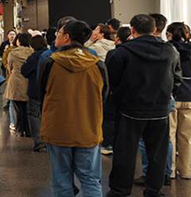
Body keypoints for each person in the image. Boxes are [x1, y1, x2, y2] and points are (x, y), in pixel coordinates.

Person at [105, 14, 182, 197]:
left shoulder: (122, 52)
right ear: (154, 29)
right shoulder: (170, 51)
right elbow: (177, 79)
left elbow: (111, 81)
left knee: (125, 153)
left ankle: (120, 190)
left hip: (129, 110)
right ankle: (154, 190)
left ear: (132, 30)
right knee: (157, 154)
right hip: (160, 109)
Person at [39, 20, 108, 197]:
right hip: (89, 128)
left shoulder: (50, 62)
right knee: (90, 180)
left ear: (67, 37)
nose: (56, 36)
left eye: (59, 33)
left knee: (61, 180)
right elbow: (103, 95)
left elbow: (41, 93)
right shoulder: (97, 64)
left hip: (57, 128)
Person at [166, 22, 191, 180]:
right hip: (190, 96)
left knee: (169, 136)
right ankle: (187, 171)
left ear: (169, 34)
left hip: (170, 96)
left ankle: (170, 170)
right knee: (188, 136)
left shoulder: (166, 49)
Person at [102, 26, 132, 155]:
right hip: (131, 93)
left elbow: (108, 73)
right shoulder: (135, 53)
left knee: (110, 119)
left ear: (118, 39)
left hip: (114, 92)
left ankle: (109, 144)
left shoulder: (113, 53)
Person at [21, 34, 48, 152]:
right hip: (49, 90)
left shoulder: (33, 57)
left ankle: (39, 142)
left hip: (35, 90)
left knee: (34, 115)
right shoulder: (51, 55)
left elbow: (24, 71)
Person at [5, 33, 34, 137]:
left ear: (19, 41)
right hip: (28, 81)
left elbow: (9, 67)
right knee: (28, 108)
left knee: (17, 108)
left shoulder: (13, 53)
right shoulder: (32, 52)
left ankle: (19, 130)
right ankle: (29, 130)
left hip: (16, 82)